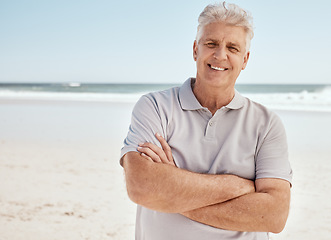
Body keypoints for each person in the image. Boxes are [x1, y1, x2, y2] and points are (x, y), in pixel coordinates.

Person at [120, 2, 293, 240]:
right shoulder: (155, 107)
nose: (220, 55)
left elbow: (274, 215)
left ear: (245, 60)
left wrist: (171, 191)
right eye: (211, 44)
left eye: (232, 47)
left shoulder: (266, 124)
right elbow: (142, 186)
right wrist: (237, 186)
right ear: (195, 49)